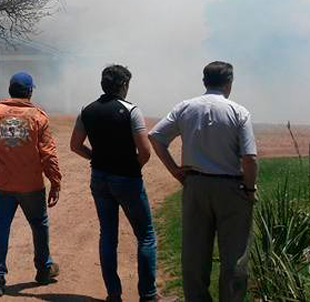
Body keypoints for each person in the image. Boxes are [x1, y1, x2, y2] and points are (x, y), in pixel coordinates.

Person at [148, 61, 257, 302]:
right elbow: (249, 158)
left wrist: (175, 170)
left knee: (195, 253)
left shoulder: (186, 107)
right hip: (231, 187)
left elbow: (155, 137)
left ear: (204, 81)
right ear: (229, 83)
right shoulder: (239, 112)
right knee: (234, 255)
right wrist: (250, 189)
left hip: (195, 185)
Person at [70, 65, 157, 302]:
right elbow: (145, 151)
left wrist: (95, 158)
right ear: (124, 86)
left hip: (99, 177)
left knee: (108, 234)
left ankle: (114, 294)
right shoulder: (131, 111)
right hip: (127, 178)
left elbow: (75, 146)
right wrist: (132, 166)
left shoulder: (86, 111)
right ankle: (148, 295)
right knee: (146, 235)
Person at [0, 72, 62, 297]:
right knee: (39, 225)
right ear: (30, 91)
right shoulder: (38, 117)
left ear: (10, 89)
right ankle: (43, 269)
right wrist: (55, 181)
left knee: (0, 228)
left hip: (2, 184)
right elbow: (48, 153)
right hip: (31, 185)